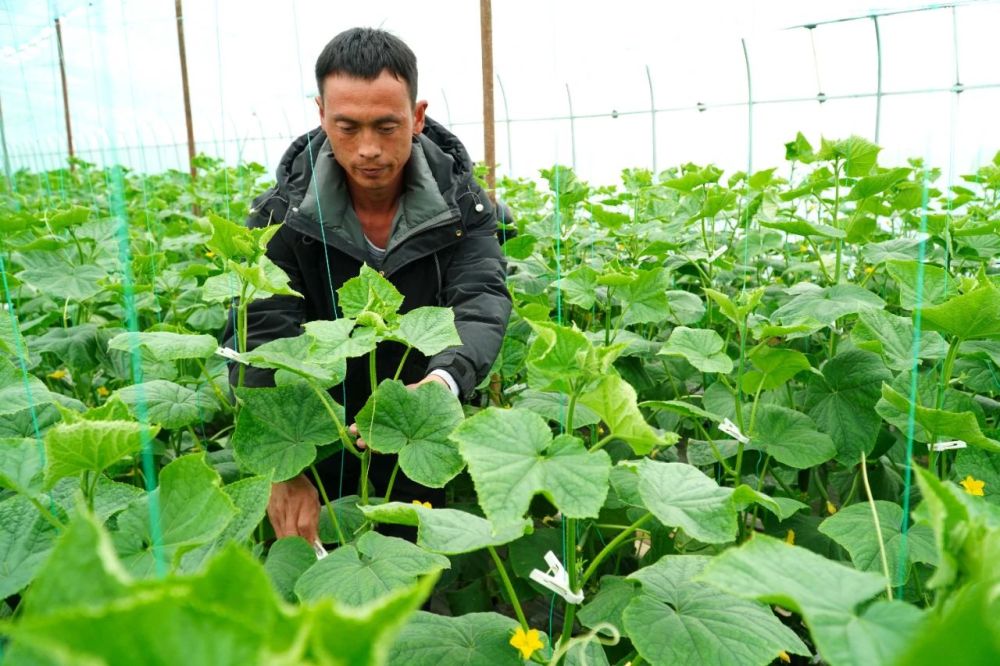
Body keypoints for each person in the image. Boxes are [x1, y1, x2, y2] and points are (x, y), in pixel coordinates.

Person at [230, 27, 511, 544]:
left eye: (387, 127)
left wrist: (443, 383)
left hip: (415, 428)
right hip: (312, 435)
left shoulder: (464, 206)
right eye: (347, 127)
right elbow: (261, 331)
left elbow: (482, 299)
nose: (368, 150)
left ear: (418, 116)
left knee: (415, 586)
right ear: (320, 115)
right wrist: (282, 464)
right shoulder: (280, 216)